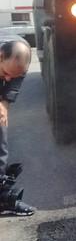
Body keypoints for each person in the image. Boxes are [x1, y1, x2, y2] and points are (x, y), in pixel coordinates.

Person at [0, 39, 34, 216]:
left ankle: (2, 197)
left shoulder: (20, 61)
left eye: (13, 76)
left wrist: (4, 105)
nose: (7, 79)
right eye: (5, 73)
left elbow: (12, 84)